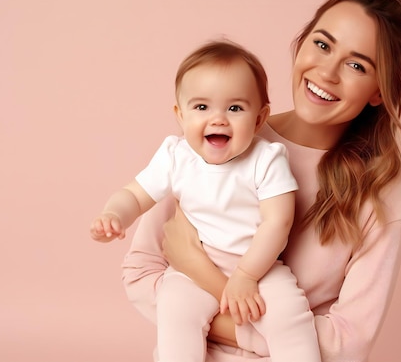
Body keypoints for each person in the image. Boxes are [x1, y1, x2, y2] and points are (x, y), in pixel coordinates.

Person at [122, 0, 401, 362]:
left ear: (379, 90)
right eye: (322, 44)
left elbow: (348, 341)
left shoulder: (382, 186)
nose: (326, 73)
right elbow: (142, 273)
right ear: (302, 41)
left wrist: (201, 274)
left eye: (356, 65)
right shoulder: (224, 134)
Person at [91, 40, 321, 362]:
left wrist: (247, 275)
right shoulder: (176, 156)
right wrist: (114, 213)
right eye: (201, 108)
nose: (218, 119)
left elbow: (278, 222)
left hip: (259, 267)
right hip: (196, 265)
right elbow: (135, 193)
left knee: (290, 317)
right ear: (180, 115)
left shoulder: (266, 159)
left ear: (259, 119)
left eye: (235, 108)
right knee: (174, 307)